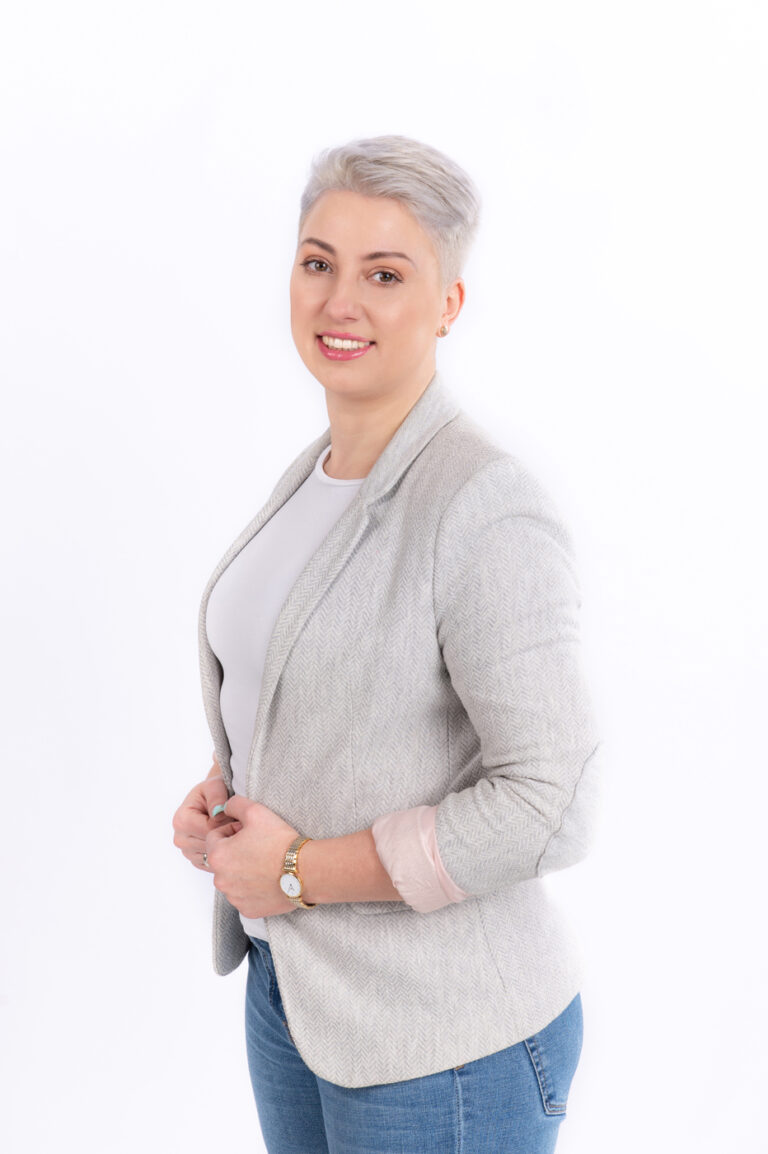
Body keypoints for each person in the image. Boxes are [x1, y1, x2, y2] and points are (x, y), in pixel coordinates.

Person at [172, 135, 601, 1154]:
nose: (339, 301)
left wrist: (296, 869)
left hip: (446, 1040)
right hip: (298, 993)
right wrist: (230, 800)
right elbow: (326, 692)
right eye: (318, 262)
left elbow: (554, 801)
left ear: (448, 303)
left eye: (385, 274)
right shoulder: (312, 476)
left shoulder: (483, 503)